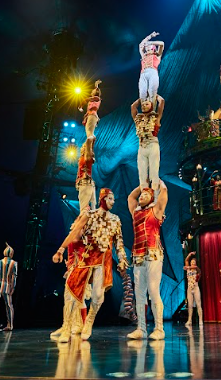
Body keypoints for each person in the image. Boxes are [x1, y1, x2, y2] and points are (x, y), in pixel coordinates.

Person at [52, 188, 128, 341]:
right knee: (72, 292)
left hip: (103, 262)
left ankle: (89, 322)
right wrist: (60, 250)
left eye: (113, 199)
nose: (113, 202)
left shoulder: (115, 220)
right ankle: (66, 327)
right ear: (103, 199)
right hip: (86, 258)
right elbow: (74, 233)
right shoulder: (90, 215)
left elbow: (119, 243)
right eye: (110, 198)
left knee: (98, 296)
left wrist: (122, 259)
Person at [127, 180, 169, 340]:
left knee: (153, 290)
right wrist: (141, 185)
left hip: (153, 253)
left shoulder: (156, 210)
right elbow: (131, 197)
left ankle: (159, 329)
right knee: (139, 293)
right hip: (138, 255)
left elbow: (164, 192)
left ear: (152, 198)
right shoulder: (135, 212)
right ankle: (141, 329)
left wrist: (157, 180)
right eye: (141, 195)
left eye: (146, 194)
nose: (142, 196)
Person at [132, 95, 165, 192]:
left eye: (146, 104)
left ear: (152, 106)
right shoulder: (138, 120)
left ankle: (155, 196)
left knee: (154, 173)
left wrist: (155, 95)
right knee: (142, 175)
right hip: (142, 147)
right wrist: (141, 98)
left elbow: (162, 101)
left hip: (152, 145)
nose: (143, 105)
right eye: (142, 105)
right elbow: (133, 107)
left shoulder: (156, 118)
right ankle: (144, 195)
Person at [138, 31, 164, 109]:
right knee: (142, 93)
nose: (146, 47)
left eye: (149, 46)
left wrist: (150, 42)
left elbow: (162, 44)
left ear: (153, 48)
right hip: (143, 74)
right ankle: (145, 111)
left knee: (152, 92)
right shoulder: (144, 56)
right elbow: (140, 45)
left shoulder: (157, 55)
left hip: (152, 72)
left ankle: (152, 111)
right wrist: (150, 36)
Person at [75, 141, 96, 214]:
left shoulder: (87, 157)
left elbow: (90, 143)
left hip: (85, 183)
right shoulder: (83, 158)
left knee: (84, 209)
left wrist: (90, 139)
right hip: (88, 183)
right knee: (92, 209)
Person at [82, 80, 102, 154]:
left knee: (89, 134)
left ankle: (88, 150)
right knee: (90, 133)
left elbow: (87, 99)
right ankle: (90, 150)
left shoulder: (97, 98)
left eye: (93, 91)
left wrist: (96, 85)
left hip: (92, 115)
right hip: (90, 116)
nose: (92, 91)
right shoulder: (94, 99)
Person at [183, 252, 203, 327]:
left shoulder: (196, 270)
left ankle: (200, 319)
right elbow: (186, 260)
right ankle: (189, 320)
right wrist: (190, 254)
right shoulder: (188, 269)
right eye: (191, 262)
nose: (192, 263)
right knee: (190, 305)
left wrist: (188, 267)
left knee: (198, 304)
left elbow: (198, 269)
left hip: (196, 288)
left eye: (194, 262)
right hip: (189, 288)